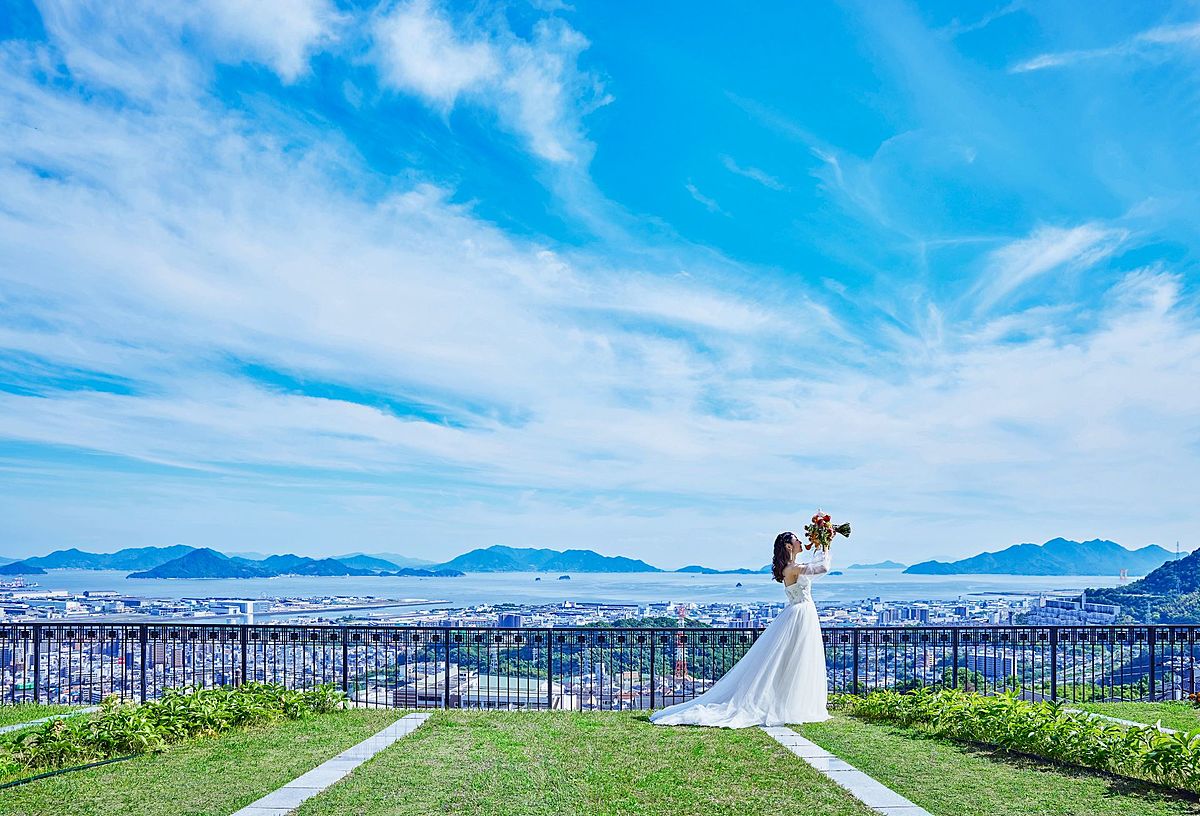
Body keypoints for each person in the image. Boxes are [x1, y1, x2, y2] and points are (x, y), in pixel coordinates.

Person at [648, 530, 834, 728]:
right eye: (796, 540)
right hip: (800, 614)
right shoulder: (792, 568)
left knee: (794, 659)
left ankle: (791, 702)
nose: (800, 542)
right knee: (795, 658)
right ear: (788, 546)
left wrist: (821, 543)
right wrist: (826, 544)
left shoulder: (792, 567)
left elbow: (815, 568)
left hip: (800, 613)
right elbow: (823, 568)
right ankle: (789, 704)